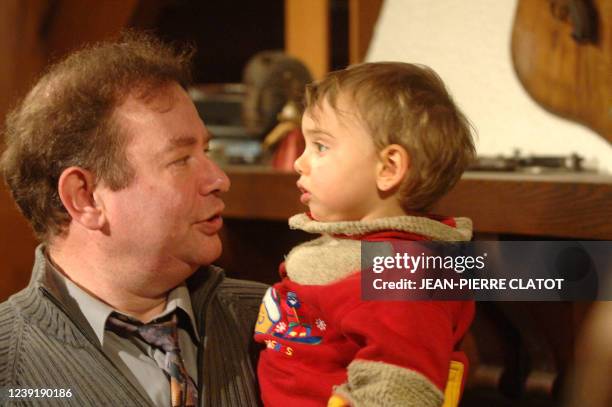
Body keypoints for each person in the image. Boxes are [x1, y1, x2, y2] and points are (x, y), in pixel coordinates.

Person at [0, 32, 267, 406]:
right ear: (85, 197)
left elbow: (378, 290)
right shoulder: (9, 371)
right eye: (180, 160)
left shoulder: (274, 321)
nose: (219, 180)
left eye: (206, 151)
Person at [253, 62, 476, 406]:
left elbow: (399, 391)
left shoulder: (402, 276)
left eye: (320, 147)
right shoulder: (354, 253)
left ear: (388, 168)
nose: (300, 162)